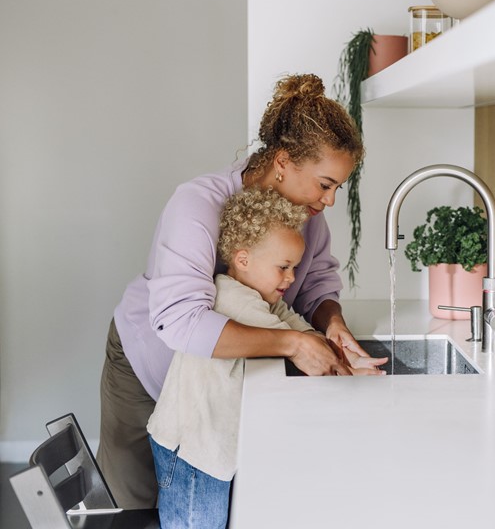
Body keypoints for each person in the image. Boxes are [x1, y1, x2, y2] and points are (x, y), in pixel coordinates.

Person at [98, 73, 375, 509]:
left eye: (338, 187)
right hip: (150, 367)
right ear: (283, 162)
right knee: (132, 508)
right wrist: (294, 343)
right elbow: (181, 322)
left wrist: (332, 324)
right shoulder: (198, 205)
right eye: (325, 184)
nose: (330, 201)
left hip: (218, 387)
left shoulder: (307, 220)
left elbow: (317, 284)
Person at [147, 188, 386, 528]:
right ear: (243, 260)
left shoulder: (264, 300)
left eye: (294, 267)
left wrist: (343, 355)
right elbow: (305, 354)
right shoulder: (236, 302)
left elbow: (306, 337)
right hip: (192, 452)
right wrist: (348, 371)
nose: (291, 278)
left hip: (210, 446)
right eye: (283, 267)